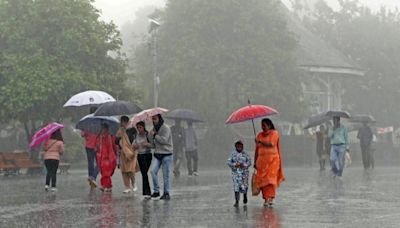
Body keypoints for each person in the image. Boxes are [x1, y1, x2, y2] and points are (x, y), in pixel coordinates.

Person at [254, 118, 285, 207]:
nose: (262, 127)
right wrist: (255, 161)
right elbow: (257, 149)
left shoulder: (274, 133)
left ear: (269, 125)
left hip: (273, 161)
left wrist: (260, 141)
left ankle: (269, 198)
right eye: (261, 125)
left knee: (270, 180)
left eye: (264, 125)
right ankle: (267, 198)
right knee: (263, 181)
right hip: (261, 162)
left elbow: (271, 143)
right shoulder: (259, 135)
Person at [150, 114, 173, 200]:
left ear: (159, 119)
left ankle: (166, 193)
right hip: (157, 154)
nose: (153, 121)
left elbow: (164, 140)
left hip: (167, 153)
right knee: (153, 171)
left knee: (165, 175)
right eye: (152, 119)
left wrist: (155, 135)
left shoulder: (166, 128)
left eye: (155, 119)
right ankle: (156, 191)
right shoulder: (154, 129)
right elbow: (153, 144)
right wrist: (150, 136)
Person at [116, 116, 138, 194]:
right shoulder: (120, 131)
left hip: (132, 152)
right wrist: (118, 137)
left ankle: (134, 183)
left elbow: (136, 139)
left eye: (125, 122)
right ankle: (127, 187)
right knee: (124, 171)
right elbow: (116, 142)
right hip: (123, 153)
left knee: (131, 170)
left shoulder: (132, 129)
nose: (124, 124)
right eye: (122, 122)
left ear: (127, 122)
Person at [227, 140, 251, 207]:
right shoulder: (233, 154)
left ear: (242, 146)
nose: (239, 147)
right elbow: (228, 162)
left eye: (240, 146)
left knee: (244, 186)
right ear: (235, 146)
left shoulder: (245, 154)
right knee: (236, 186)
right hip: (236, 173)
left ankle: (245, 195)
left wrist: (244, 165)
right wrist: (234, 165)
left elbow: (249, 162)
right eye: (237, 146)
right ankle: (237, 201)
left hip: (244, 173)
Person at [134, 121, 153, 199]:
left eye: (140, 127)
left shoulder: (147, 134)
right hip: (140, 156)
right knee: (144, 174)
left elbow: (153, 145)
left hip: (147, 155)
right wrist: (135, 146)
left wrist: (147, 144)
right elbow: (133, 145)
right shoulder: (136, 135)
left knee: (145, 173)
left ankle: (147, 192)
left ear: (143, 127)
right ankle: (147, 193)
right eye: (137, 127)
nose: (139, 129)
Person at [96, 123, 117, 192]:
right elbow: (98, 147)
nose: (102, 130)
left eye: (103, 128)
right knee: (103, 172)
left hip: (108, 157)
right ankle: (109, 186)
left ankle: (104, 185)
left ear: (106, 129)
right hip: (101, 157)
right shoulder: (100, 137)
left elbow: (111, 147)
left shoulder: (109, 137)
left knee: (106, 173)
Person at [81, 106, 99, 189]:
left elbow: (82, 134)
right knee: (100, 163)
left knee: (90, 162)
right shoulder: (99, 121)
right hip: (98, 146)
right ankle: (93, 177)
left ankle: (91, 176)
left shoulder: (86, 121)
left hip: (88, 145)